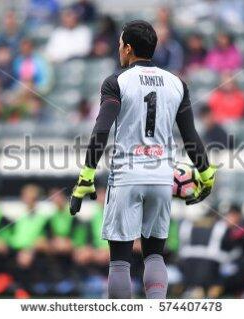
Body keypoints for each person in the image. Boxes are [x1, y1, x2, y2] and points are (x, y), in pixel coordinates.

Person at [69, 20, 216, 299]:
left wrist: (85, 179)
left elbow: (101, 130)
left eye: (120, 45)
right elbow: (190, 136)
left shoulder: (116, 82)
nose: (119, 50)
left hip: (127, 175)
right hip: (162, 177)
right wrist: (206, 175)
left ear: (128, 48)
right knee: (154, 256)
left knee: (121, 261)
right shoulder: (177, 84)